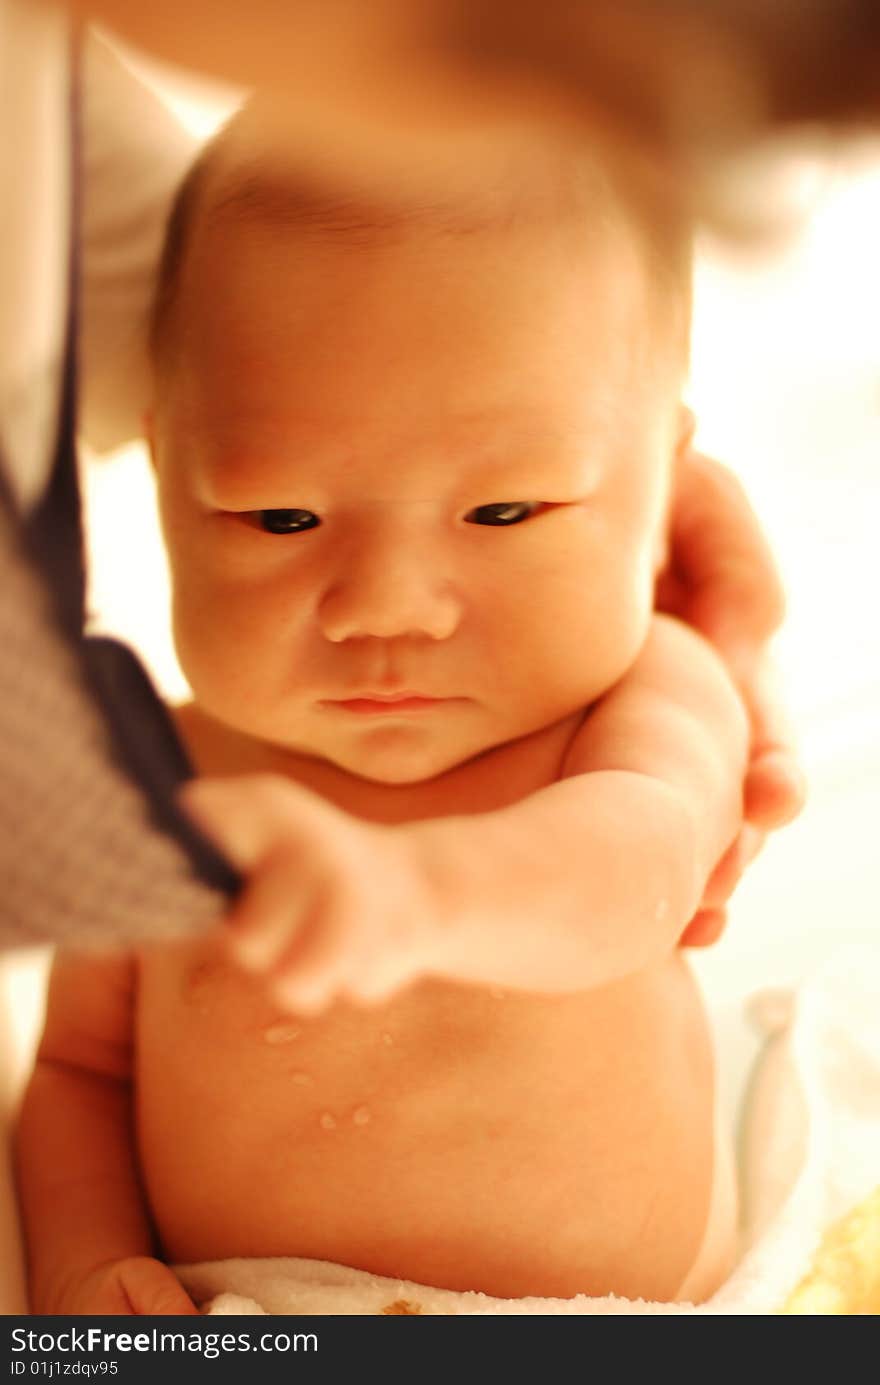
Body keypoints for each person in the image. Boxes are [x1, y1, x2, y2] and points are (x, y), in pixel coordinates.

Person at [18, 103, 786, 1314]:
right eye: (278, 517)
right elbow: (77, 1070)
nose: (385, 609)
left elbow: (633, 880)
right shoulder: (150, 769)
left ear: (665, 479)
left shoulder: (641, 692)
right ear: (166, 476)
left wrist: (417, 894)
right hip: (244, 1318)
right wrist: (85, 1268)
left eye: (505, 511)